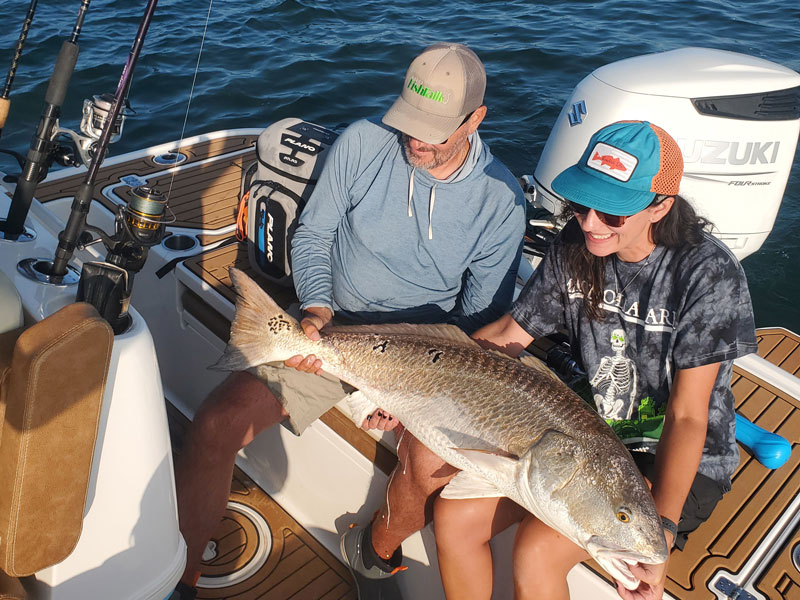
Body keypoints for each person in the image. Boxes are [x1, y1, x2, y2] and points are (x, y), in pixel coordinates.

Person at [171, 42, 525, 600]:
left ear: (475, 120)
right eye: (409, 122)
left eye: (432, 131)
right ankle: (181, 583)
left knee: (430, 474)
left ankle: (371, 554)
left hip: (426, 355)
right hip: (334, 325)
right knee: (216, 425)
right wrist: (315, 307)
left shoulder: (501, 202)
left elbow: (479, 317)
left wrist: (413, 389)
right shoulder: (363, 141)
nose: (413, 140)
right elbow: (313, 234)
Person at [432, 120, 757, 600]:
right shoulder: (576, 245)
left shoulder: (707, 274)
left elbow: (688, 416)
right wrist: (422, 377)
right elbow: (507, 335)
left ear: (660, 206)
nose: (589, 223)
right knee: (454, 518)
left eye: (613, 214)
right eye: (583, 204)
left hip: (675, 454)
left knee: (537, 551)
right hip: (587, 435)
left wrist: (659, 533)